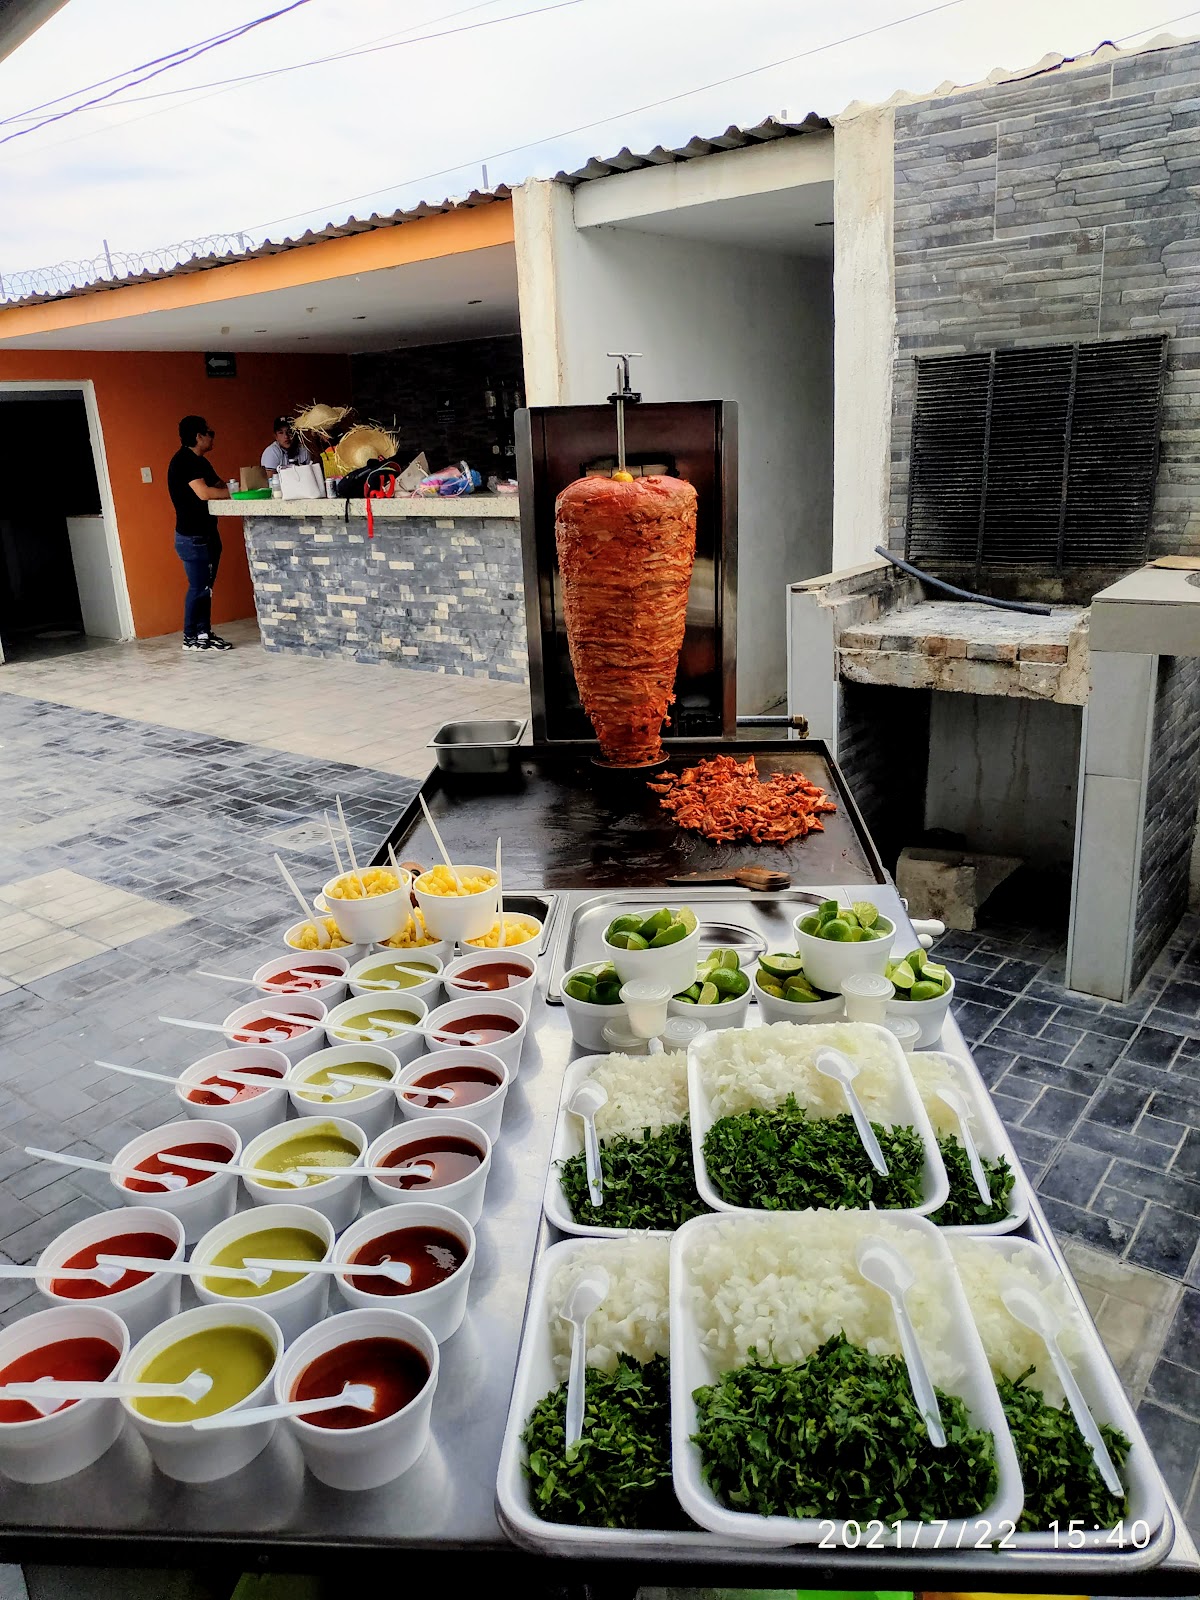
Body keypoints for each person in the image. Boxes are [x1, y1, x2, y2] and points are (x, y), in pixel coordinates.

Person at [168, 415, 233, 652]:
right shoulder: (183, 461)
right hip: (192, 537)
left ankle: (204, 634)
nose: (213, 437)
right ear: (199, 436)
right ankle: (190, 636)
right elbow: (205, 493)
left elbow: (220, 485)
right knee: (198, 587)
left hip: (208, 533)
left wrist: (233, 489)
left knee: (206, 588)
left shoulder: (201, 462)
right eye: (210, 433)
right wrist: (234, 493)